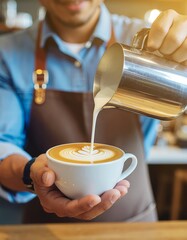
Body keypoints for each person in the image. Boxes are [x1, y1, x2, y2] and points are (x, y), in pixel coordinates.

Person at [0, 0, 187, 223]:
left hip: (135, 225)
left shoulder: (151, 40)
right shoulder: (7, 53)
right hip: (48, 227)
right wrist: (32, 172)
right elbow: (3, 146)